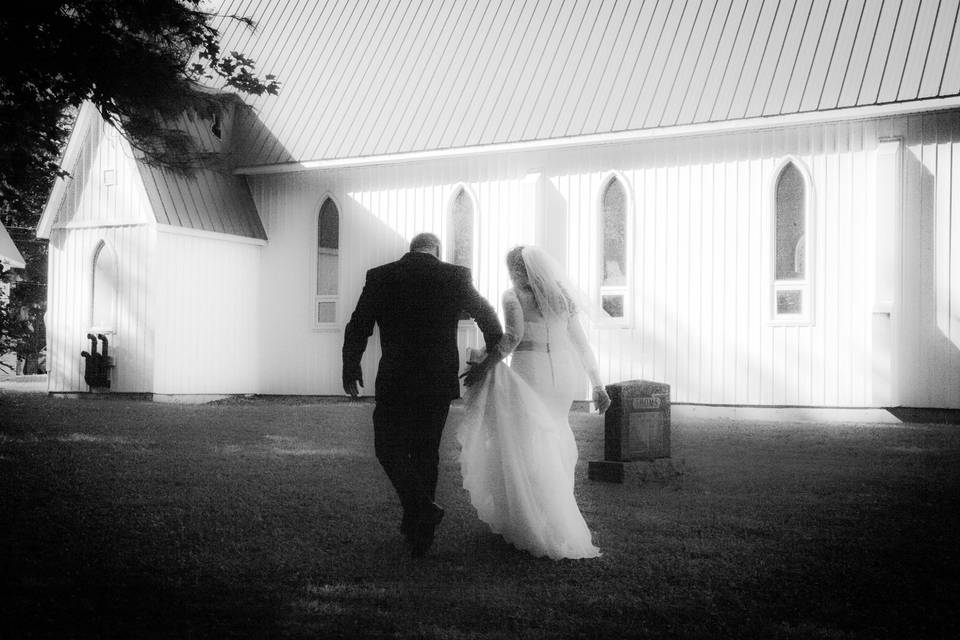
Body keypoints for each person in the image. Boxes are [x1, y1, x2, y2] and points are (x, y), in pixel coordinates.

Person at [342, 232, 503, 557]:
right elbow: (491, 322)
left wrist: (350, 364)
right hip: (437, 379)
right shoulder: (455, 276)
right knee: (426, 452)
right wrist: (484, 362)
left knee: (387, 447)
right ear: (437, 251)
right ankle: (422, 533)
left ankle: (419, 511)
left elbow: (358, 323)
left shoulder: (381, 276)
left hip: (396, 377)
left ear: (410, 250)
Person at [459, 245, 611, 560]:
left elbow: (512, 337)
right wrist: (598, 384)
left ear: (517, 270)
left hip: (533, 370)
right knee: (553, 436)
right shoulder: (562, 298)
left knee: (527, 441)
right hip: (564, 375)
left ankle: (534, 516)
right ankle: (552, 510)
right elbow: (581, 344)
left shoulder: (513, 296)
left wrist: (485, 365)